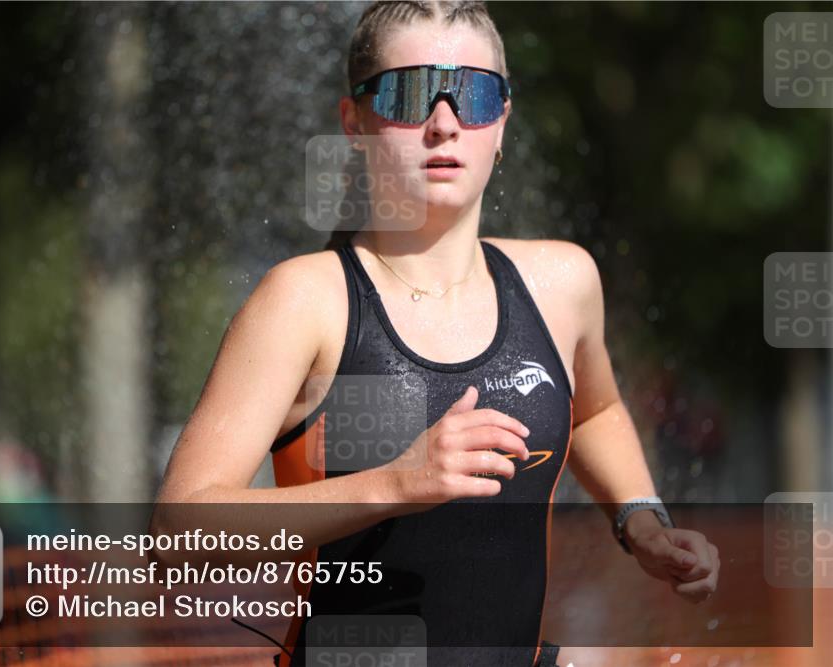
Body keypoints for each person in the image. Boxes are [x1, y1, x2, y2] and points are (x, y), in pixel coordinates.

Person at [154, 2, 720, 665]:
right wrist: (398, 482)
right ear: (354, 123)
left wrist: (642, 522)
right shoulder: (306, 300)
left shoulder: (562, 283)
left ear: (502, 121)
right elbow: (179, 526)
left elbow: (594, 409)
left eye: (476, 96)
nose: (445, 123)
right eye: (409, 92)